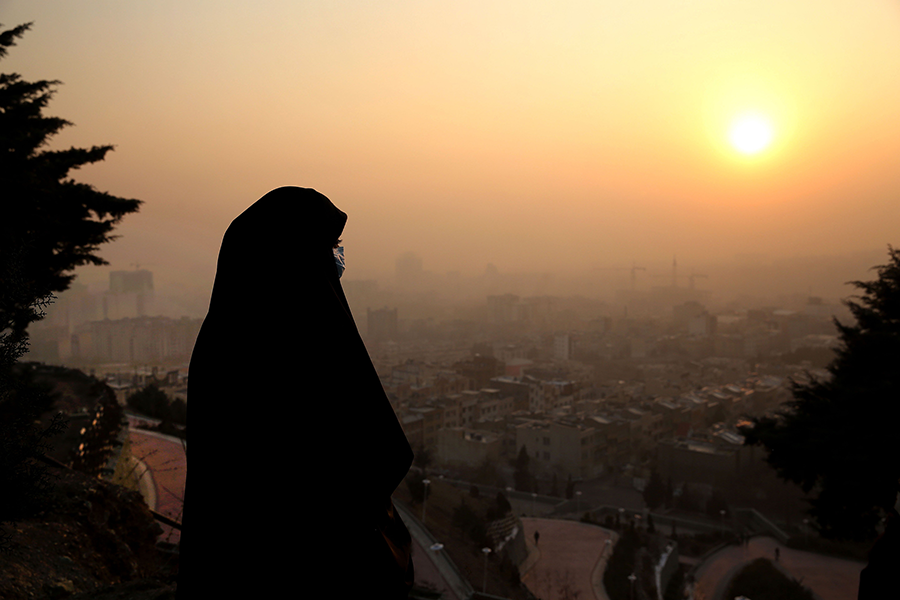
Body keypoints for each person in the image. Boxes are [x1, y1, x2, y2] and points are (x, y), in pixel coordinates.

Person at [177, 186, 414, 598]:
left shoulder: (221, 338)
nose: (338, 259)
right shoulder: (309, 342)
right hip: (314, 564)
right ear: (295, 257)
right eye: (331, 248)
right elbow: (373, 452)